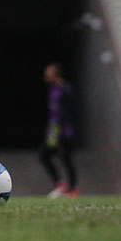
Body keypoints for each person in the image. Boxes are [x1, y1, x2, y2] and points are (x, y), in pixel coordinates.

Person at [39, 62, 79, 199]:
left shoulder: (66, 89)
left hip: (64, 131)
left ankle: (72, 189)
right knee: (44, 155)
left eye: (48, 74)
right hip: (54, 130)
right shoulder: (52, 89)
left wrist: (61, 132)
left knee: (66, 158)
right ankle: (60, 183)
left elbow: (68, 113)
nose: (46, 76)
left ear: (56, 74)